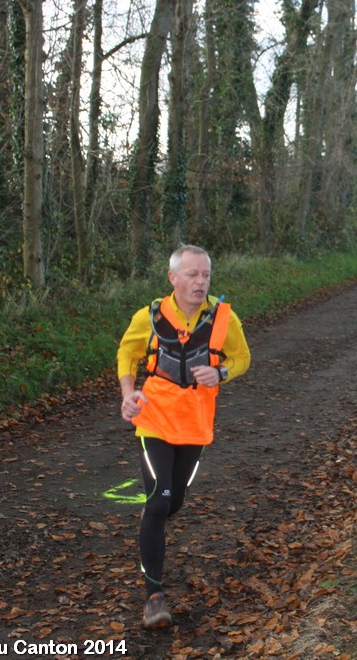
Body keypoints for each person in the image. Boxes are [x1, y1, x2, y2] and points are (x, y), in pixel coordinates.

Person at [116, 244, 251, 629]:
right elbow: (127, 353)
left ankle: (152, 521)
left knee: (172, 503)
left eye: (205, 274)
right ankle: (154, 597)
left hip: (196, 424)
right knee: (159, 501)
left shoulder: (224, 318)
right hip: (154, 418)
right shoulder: (150, 316)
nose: (200, 282)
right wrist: (128, 392)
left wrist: (221, 373)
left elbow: (242, 358)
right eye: (192, 274)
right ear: (173, 278)